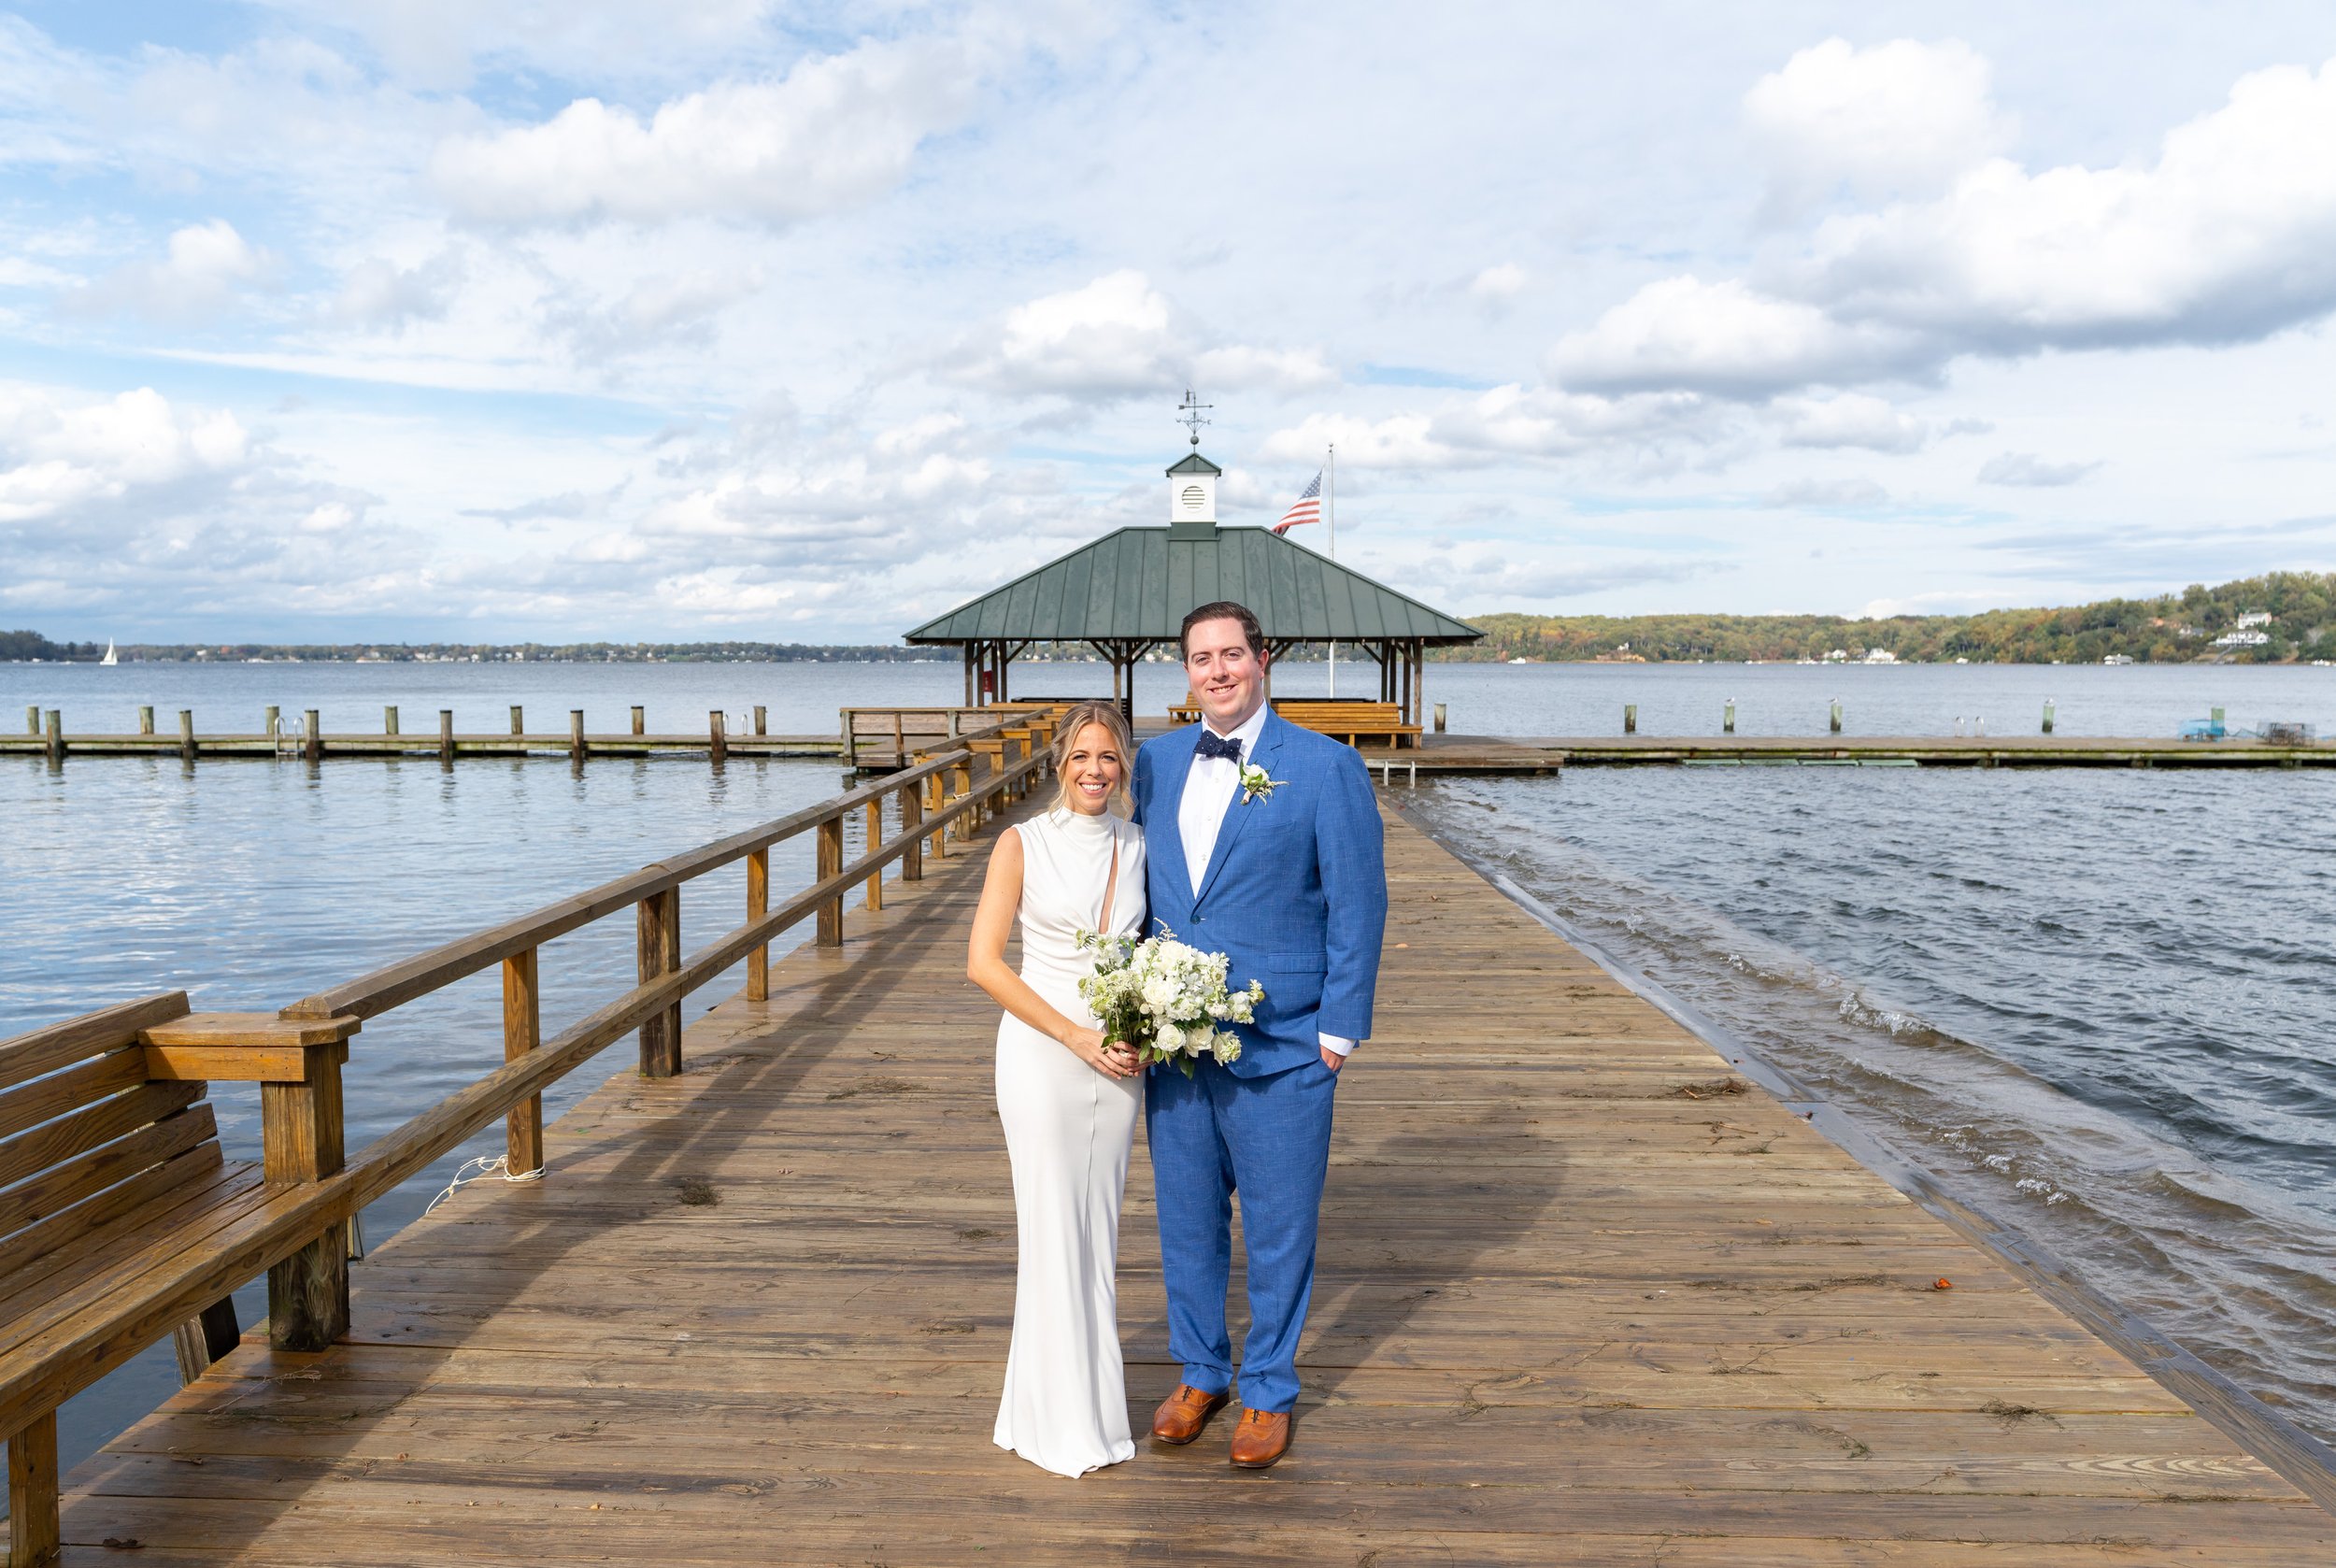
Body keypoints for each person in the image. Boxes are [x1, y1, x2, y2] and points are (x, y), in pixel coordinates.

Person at [1132, 600, 1388, 1468]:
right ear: (1186, 671)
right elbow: (1131, 892)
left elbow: (1358, 902)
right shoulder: (1154, 763)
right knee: (1187, 1221)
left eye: (1231, 654)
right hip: (1176, 1047)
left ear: (1263, 659)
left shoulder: (1324, 768)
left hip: (1285, 1045)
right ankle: (1202, 1371)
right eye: (1201, 658)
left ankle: (1269, 1387)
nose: (1218, 671)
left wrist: (1339, 1032)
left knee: (1281, 1226)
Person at [965, 701, 1147, 1477]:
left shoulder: (1140, 845)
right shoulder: (1021, 842)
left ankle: (1086, 1411)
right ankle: (1050, 1419)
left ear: (1125, 767)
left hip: (1119, 1064)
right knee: (1050, 1226)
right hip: (1043, 1055)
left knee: (1098, 1231)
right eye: (1081, 757)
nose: (1094, 771)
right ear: (1059, 764)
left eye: (1108, 757)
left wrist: (1142, 1027)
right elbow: (984, 962)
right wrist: (1072, 1035)